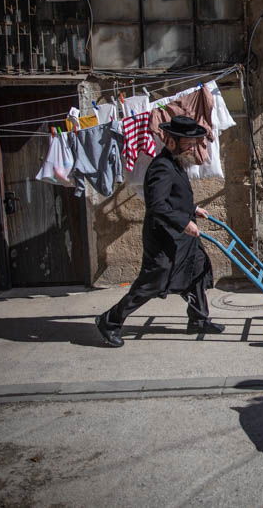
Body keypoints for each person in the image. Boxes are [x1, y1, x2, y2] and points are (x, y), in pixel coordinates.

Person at [95, 115, 224, 347]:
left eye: (194, 142)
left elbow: (173, 198)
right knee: (153, 282)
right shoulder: (162, 167)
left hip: (181, 235)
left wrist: (193, 209)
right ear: (172, 141)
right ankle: (110, 320)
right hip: (164, 236)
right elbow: (157, 205)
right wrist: (184, 222)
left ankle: (199, 319)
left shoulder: (177, 162)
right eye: (188, 142)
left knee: (197, 269)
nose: (193, 146)